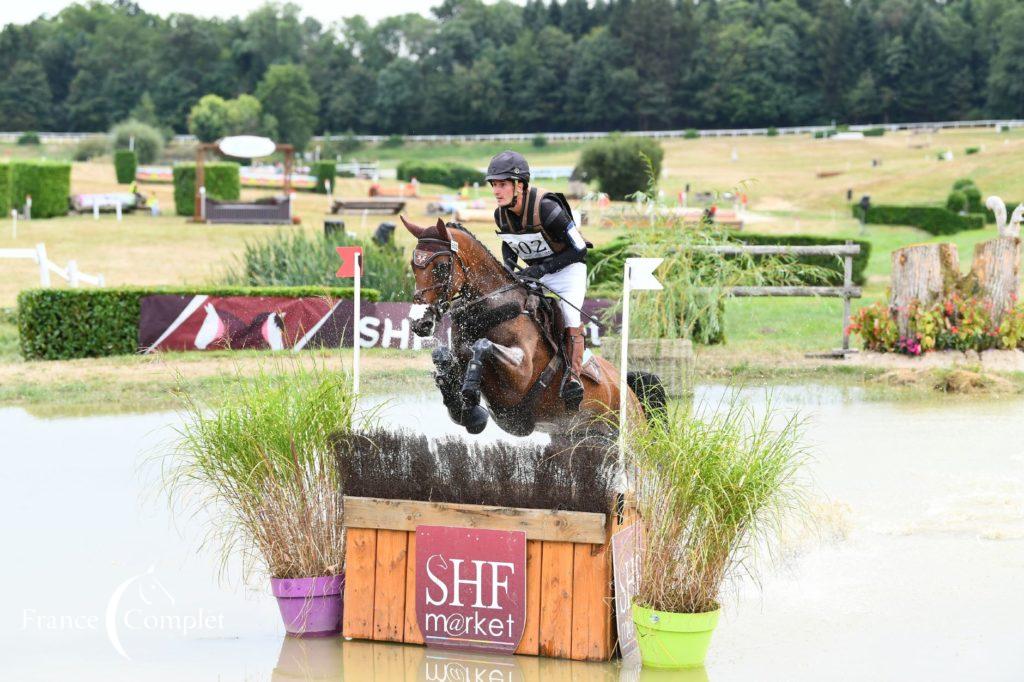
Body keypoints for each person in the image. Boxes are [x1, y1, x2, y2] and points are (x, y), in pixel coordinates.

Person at [487, 150, 590, 411]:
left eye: (502, 184)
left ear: (519, 185)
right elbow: (510, 245)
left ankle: (573, 379)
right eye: (494, 185)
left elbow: (579, 249)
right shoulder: (501, 214)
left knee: (570, 319)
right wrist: (509, 270)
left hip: (568, 270)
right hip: (536, 272)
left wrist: (541, 268)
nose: (496, 191)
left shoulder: (547, 208)